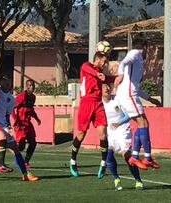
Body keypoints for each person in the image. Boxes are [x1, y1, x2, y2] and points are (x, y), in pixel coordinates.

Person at [0, 76, 38, 181]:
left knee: (15, 149)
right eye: (1, 80)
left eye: (5, 80)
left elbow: (7, 113)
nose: (3, 82)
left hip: (1, 126)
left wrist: (9, 125)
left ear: (9, 82)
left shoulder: (11, 99)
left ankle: (25, 174)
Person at [113, 40, 162, 169]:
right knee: (144, 124)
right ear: (144, 47)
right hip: (128, 96)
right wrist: (120, 74)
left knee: (142, 124)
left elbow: (136, 87)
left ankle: (135, 156)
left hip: (129, 94)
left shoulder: (139, 60)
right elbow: (123, 63)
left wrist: (150, 99)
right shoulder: (135, 53)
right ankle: (147, 158)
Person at [69, 52, 112, 178]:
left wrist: (118, 77)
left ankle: (103, 163)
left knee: (103, 132)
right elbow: (87, 69)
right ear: (97, 59)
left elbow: (107, 79)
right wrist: (97, 74)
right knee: (81, 134)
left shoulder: (101, 72)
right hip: (86, 103)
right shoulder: (86, 66)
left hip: (98, 103)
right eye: (104, 61)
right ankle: (72, 160)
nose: (105, 64)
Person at [102, 83, 146, 191]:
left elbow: (129, 115)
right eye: (103, 87)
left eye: (107, 86)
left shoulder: (117, 100)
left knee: (127, 156)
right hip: (110, 133)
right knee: (108, 153)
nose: (107, 88)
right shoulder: (99, 104)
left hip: (123, 131)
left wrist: (119, 122)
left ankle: (138, 180)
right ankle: (116, 179)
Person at [11, 79, 41, 168]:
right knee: (21, 145)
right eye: (31, 85)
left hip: (28, 123)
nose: (33, 87)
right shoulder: (22, 96)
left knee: (33, 143)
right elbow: (12, 107)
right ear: (27, 86)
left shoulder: (33, 97)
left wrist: (36, 118)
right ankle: (5, 146)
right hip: (20, 123)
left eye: (33, 86)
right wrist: (15, 119)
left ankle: (26, 162)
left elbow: (31, 110)